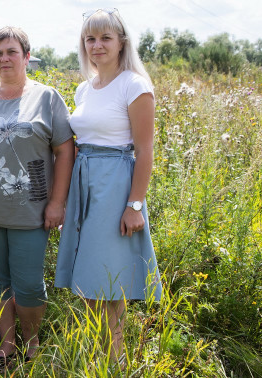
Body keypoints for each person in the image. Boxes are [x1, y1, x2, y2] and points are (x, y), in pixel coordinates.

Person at [0, 26, 74, 361]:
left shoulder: (46, 97)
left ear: (26, 56)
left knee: (30, 284)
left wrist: (58, 202)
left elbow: (65, 151)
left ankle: (32, 343)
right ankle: (6, 345)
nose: (4, 58)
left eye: (11, 52)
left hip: (31, 212)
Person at [55, 8, 162, 364]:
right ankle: (103, 354)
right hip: (84, 183)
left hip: (114, 183)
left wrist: (134, 205)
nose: (97, 45)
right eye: (90, 39)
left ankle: (112, 359)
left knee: (106, 275)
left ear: (121, 43)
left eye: (105, 38)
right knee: (90, 274)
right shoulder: (85, 88)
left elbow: (145, 150)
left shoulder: (134, 84)